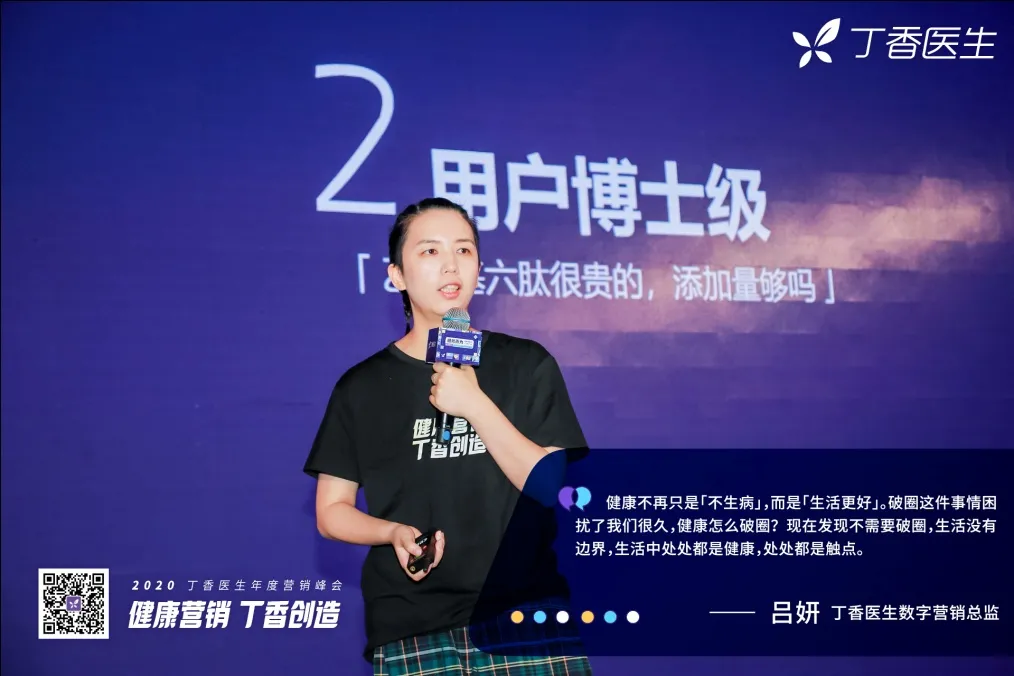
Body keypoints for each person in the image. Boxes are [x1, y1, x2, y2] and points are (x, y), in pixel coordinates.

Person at [303, 197, 593, 675]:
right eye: (430, 251)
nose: (451, 265)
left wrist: (474, 403)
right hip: (412, 622)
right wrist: (391, 532)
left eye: (464, 250)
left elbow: (549, 486)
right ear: (396, 275)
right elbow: (331, 511)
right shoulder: (362, 387)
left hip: (523, 614)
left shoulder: (526, 364)